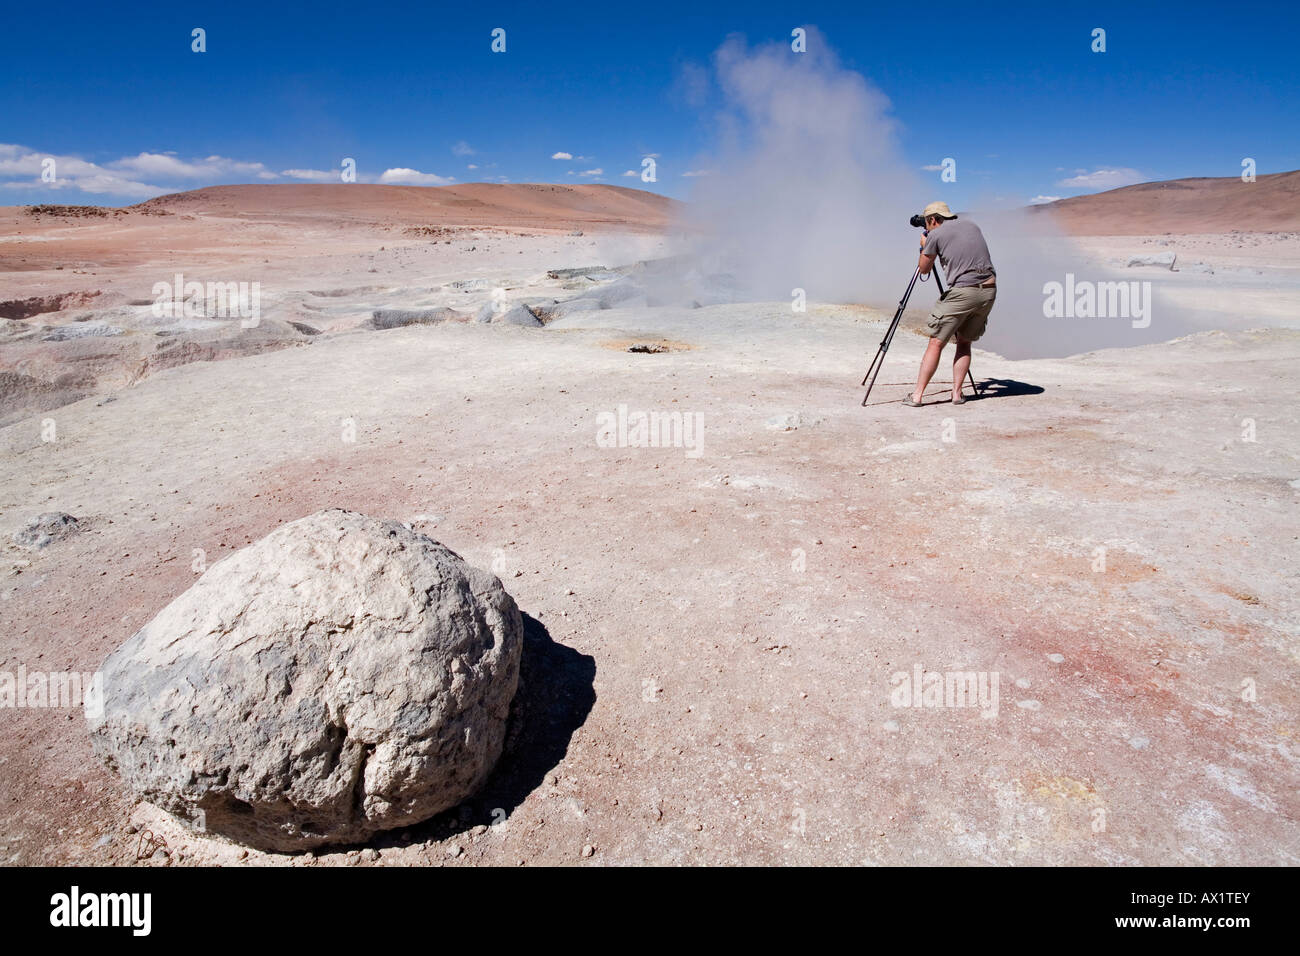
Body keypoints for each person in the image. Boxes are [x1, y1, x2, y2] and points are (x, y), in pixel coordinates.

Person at [904, 201, 997, 407]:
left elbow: (924, 269)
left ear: (933, 220)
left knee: (936, 342)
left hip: (964, 291)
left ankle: (917, 396)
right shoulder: (972, 226)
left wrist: (924, 246)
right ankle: (957, 394)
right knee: (964, 342)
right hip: (989, 291)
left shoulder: (935, 235)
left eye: (927, 223)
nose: (926, 227)